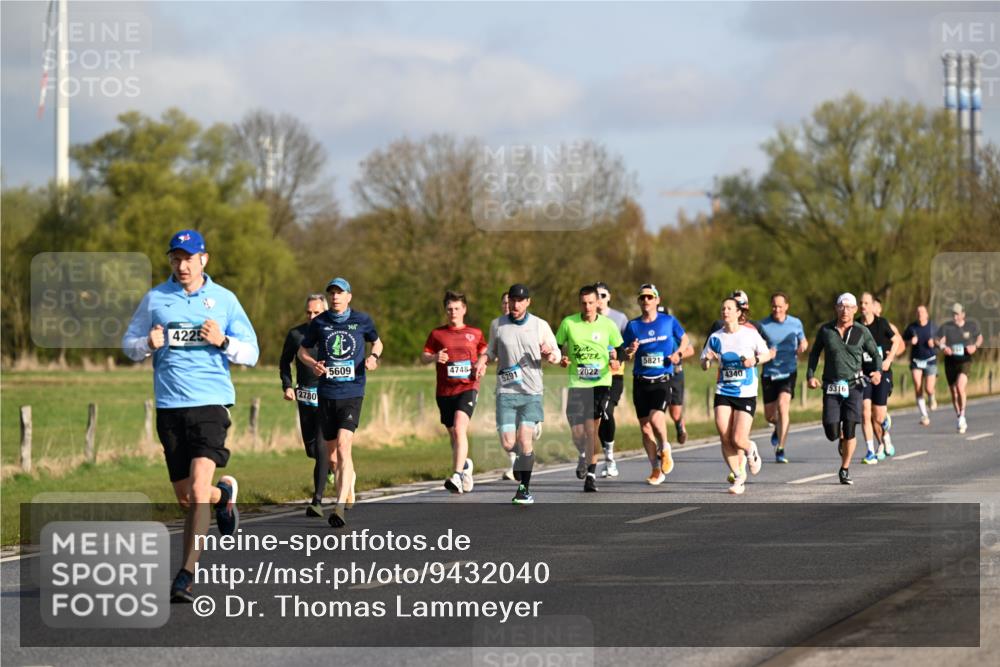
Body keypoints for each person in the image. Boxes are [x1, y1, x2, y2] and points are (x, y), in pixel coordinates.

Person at [122, 229, 259, 602]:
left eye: (188, 258)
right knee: (188, 498)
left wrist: (224, 342)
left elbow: (252, 352)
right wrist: (145, 345)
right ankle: (223, 497)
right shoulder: (155, 299)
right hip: (169, 406)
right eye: (175, 258)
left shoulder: (225, 301)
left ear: (204, 260)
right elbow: (128, 345)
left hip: (211, 404)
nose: (182, 265)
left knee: (197, 489)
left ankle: (185, 574)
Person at [298, 277, 383, 528]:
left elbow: (376, 341)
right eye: (332, 293)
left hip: (352, 392)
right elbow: (302, 351)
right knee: (333, 454)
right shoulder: (320, 323)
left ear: (349, 297)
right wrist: (313, 364)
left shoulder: (362, 320)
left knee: (345, 446)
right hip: (327, 393)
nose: (335, 297)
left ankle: (337, 507)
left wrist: (373, 357)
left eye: (340, 293)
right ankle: (349, 482)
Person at [476, 284, 560, 504]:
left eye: (520, 300)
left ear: (527, 302)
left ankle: (524, 489)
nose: (515, 304)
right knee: (507, 443)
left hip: (532, 391)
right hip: (506, 391)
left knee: (524, 440)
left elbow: (557, 354)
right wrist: (483, 361)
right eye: (512, 300)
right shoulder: (498, 325)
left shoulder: (539, 325)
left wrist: (550, 355)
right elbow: (491, 350)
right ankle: (526, 452)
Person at [806, 293, 882, 485]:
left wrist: (878, 372)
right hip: (831, 385)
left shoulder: (861, 331)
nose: (845, 311)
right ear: (836, 308)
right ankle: (839, 438)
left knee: (850, 427)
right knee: (831, 431)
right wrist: (810, 375)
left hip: (854, 386)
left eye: (849, 307)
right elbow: (814, 353)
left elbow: (875, 354)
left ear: (855, 310)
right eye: (841, 306)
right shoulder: (826, 330)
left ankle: (845, 468)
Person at [555, 284, 624, 492]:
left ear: (597, 303)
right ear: (580, 304)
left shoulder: (608, 325)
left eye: (591, 303)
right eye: (583, 303)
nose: (587, 307)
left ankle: (591, 475)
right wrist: (561, 359)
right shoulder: (569, 323)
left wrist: (616, 362)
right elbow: (557, 347)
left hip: (601, 383)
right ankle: (583, 454)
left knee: (591, 429)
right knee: (577, 432)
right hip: (577, 383)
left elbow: (620, 349)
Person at [701, 297, 773, 494]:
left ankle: (751, 449)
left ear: (738, 313)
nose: (725, 311)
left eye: (729, 308)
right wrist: (707, 360)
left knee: (739, 439)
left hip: (745, 392)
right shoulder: (716, 337)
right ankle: (739, 476)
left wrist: (754, 360)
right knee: (725, 437)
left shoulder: (750, 334)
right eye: (723, 308)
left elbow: (767, 354)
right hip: (723, 390)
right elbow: (703, 364)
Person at [623, 284, 690, 485]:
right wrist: (630, 350)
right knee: (645, 428)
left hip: (662, 380)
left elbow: (685, 340)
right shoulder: (633, 326)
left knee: (656, 418)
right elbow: (625, 353)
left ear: (657, 300)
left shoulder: (668, 321)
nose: (646, 301)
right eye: (642, 298)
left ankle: (665, 447)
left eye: (650, 297)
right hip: (640, 381)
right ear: (639, 301)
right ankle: (655, 469)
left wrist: (678, 354)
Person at [422, 291, 487, 494]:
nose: (453, 312)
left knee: (460, 429)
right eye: (449, 309)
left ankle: (457, 475)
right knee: (453, 434)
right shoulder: (437, 334)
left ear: (464, 309)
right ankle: (465, 465)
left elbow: (486, 351)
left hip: (468, 387)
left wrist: (482, 363)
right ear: (445, 310)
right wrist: (434, 357)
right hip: (444, 391)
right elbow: (424, 355)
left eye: (457, 308)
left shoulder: (475, 333)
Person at [279, 294, 334, 517]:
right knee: (312, 449)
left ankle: (317, 500)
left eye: (317, 313)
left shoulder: (333, 334)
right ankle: (330, 466)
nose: (312, 317)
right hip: (304, 397)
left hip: (328, 396)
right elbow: (284, 362)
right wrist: (287, 386)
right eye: (309, 313)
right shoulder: (296, 334)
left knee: (321, 446)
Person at [758, 292, 808, 463]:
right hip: (769, 373)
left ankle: (781, 448)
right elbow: (756, 346)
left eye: (780, 306)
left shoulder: (795, 323)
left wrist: (803, 345)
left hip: (788, 371)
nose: (777, 309)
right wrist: (766, 354)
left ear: (787, 306)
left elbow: (804, 340)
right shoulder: (763, 325)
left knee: (783, 405)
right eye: (774, 306)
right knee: (769, 416)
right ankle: (777, 427)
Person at [858, 293, 904, 464]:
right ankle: (870, 451)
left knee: (878, 417)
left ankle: (885, 423)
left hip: (882, 373)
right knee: (865, 413)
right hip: (864, 374)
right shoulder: (855, 325)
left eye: (866, 303)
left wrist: (889, 360)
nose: (863, 306)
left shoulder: (881, 323)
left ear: (872, 306)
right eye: (861, 303)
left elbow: (897, 341)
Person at [594, 281, 629, 477]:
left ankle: (610, 458)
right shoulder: (586, 320)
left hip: (614, 375)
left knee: (607, 411)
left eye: (603, 295)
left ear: (609, 297)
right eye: (596, 295)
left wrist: (619, 358)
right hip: (593, 376)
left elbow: (626, 347)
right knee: (597, 416)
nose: (599, 299)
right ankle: (597, 458)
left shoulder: (619, 318)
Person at [937, 303, 983, 434]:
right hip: (950, 362)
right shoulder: (946, 327)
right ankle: (959, 416)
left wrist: (975, 346)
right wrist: (943, 347)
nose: (955, 316)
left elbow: (979, 337)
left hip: (965, 361)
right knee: (953, 392)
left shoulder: (971, 326)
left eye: (957, 314)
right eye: (953, 314)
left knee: (960, 387)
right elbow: (937, 339)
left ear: (963, 314)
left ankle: (962, 415)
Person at [662, 305, 695, 444]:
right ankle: (661, 443)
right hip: (656, 375)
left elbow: (691, 350)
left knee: (675, 412)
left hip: (675, 373)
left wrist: (678, 355)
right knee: (656, 411)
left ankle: (680, 425)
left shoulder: (674, 332)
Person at [902, 305, 939, 426]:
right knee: (918, 386)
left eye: (922, 312)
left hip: (930, 360)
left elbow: (942, 340)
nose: (920, 314)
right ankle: (924, 415)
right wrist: (909, 342)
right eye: (918, 312)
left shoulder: (933, 327)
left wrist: (934, 343)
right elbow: (902, 342)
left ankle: (932, 397)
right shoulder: (911, 328)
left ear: (927, 314)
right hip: (916, 361)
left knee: (928, 388)